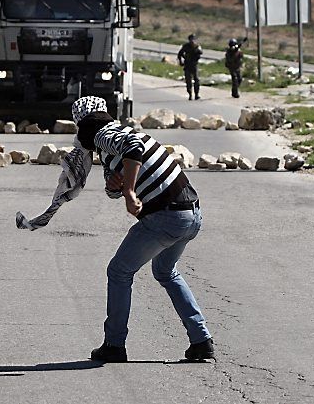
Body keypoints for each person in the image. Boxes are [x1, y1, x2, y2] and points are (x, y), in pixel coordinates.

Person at [68, 96, 214, 363]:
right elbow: (114, 184)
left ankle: (114, 345)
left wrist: (129, 190)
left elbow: (134, 149)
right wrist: (116, 185)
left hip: (165, 217)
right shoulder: (116, 138)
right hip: (190, 214)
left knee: (119, 271)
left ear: (81, 124)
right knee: (166, 272)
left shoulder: (103, 134)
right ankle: (201, 341)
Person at [177, 34, 203, 100]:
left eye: (193, 39)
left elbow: (200, 53)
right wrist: (181, 61)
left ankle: (196, 94)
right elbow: (180, 54)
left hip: (194, 65)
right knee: (188, 80)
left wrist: (196, 49)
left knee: (196, 80)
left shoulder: (197, 46)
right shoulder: (186, 46)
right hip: (187, 65)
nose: (192, 41)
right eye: (191, 39)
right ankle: (190, 94)